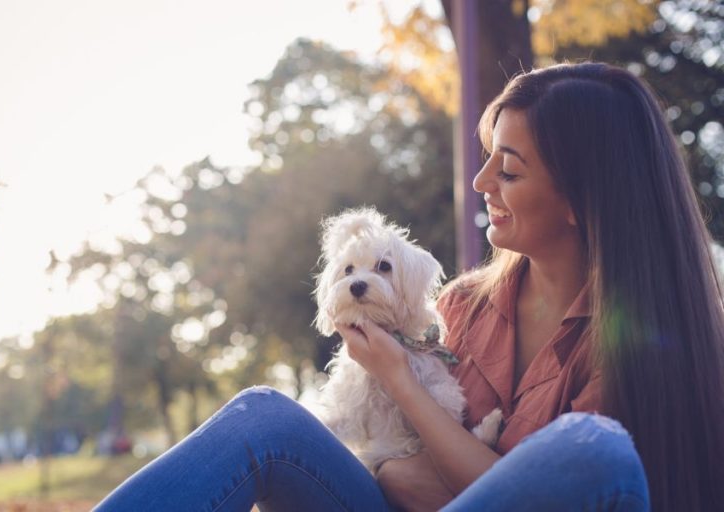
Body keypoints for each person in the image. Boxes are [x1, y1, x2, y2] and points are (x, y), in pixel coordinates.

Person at [94, 62, 724, 512]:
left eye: (507, 168)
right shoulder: (459, 307)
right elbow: (414, 471)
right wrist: (409, 471)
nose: (480, 183)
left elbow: (537, 493)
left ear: (582, 200)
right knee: (264, 417)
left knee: (594, 448)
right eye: (486, 158)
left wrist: (399, 377)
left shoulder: (646, 348)